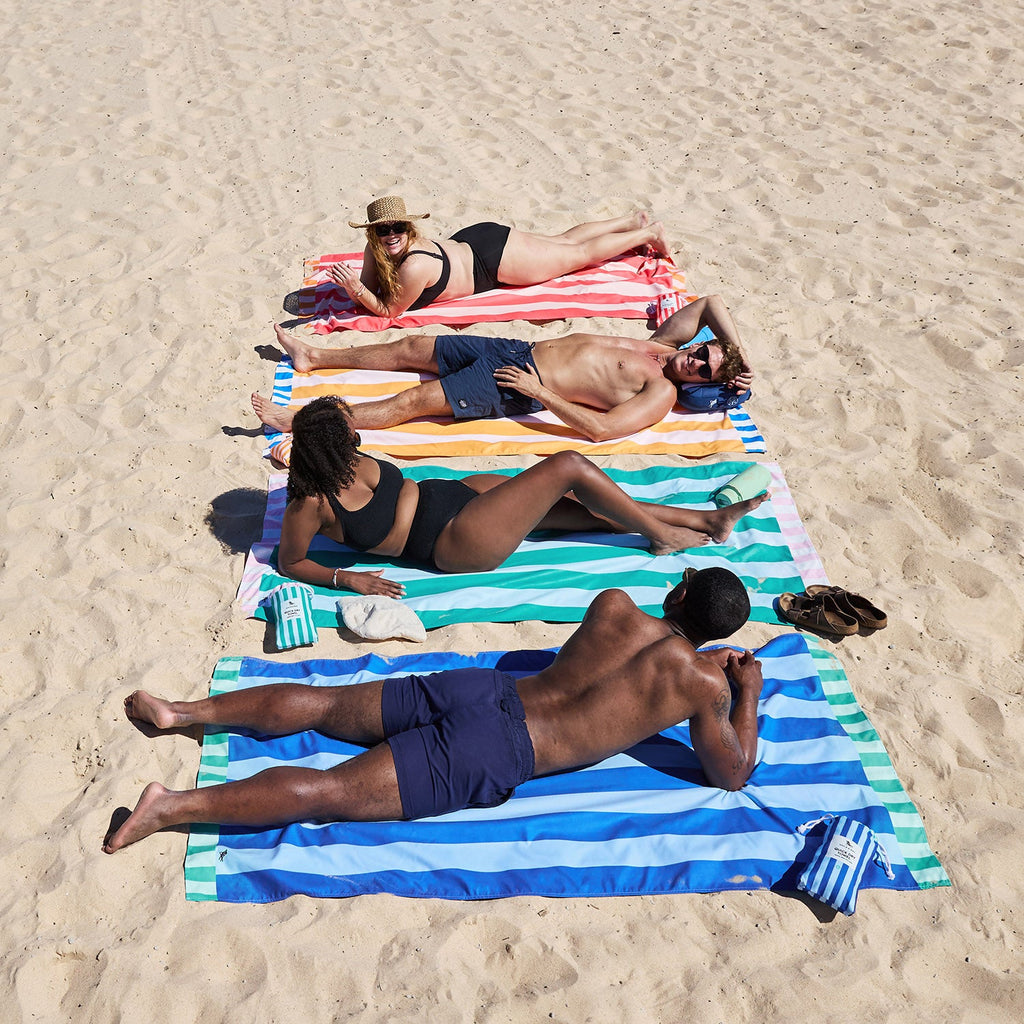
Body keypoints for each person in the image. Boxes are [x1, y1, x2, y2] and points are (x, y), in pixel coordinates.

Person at [103, 568, 764, 852]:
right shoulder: (700, 686)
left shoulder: (614, 604)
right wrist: (746, 692)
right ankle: (171, 807)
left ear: (678, 589)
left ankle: (180, 713)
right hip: (506, 750)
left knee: (326, 705)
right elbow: (730, 773)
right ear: (714, 638)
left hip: (483, 691)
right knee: (333, 792)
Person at [265, 395, 767, 597]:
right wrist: (345, 578)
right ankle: (661, 535)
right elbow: (290, 561)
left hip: (455, 497)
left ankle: (706, 521)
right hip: (452, 540)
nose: (355, 439)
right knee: (568, 467)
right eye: (344, 437)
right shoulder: (309, 504)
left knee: (587, 509)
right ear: (326, 454)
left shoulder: (342, 459)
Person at [253, 295, 752, 443]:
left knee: (412, 404)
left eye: (704, 370)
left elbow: (601, 430)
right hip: (514, 349)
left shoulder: (661, 391)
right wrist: (740, 359)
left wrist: (541, 392)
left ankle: (297, 421)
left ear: (703, 385)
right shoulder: (663, 347)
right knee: (411, 345)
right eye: (703, 353)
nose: (695, 360)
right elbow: (710, 303)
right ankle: (314, 357)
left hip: (516, 384)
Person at [328, 196, 671, 317]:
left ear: (408, 226)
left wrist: (355, 289)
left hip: (493, 262)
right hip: (478, 241)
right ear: (371, 232)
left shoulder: (415, 264)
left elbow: (388, 310)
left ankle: (646, 233)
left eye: (397, 227)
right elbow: (374, 286)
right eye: (382, 230)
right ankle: (630, 221)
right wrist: (365, 272)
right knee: (562, 242)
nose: (391, 235)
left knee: (576, 254)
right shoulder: (378, 247)